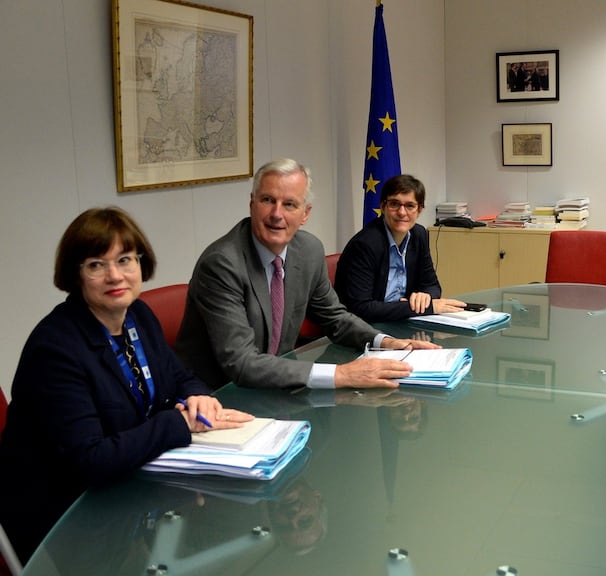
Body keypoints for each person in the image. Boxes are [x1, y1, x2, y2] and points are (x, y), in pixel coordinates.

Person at [0, 207, 254, 564]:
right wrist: (177, 424)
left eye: (125, 259)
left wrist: (197, 395)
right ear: (76, 275)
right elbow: (92, 459)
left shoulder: (138, 316)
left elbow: (178, 376)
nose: (114, 275)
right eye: (95, 265)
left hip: (133, 494)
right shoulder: (55, 348)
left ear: (141, 263)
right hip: (67, 519)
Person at [174, 158, 438, 391]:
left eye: (290, 204)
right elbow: (242, 363)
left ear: (305, 214)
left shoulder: (308, 250)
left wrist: (385, 342)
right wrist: (340, 374)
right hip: (219, 395)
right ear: (252, 204)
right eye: (267, 200)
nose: (277, 214)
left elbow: (334, 317)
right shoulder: (222, 264)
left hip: (278, 385)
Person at [335, 174, 466, 322]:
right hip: (365, 329)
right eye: (394, 204)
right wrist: (426, 307)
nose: (402, 212)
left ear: (420, 210)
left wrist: (426, 296)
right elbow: (361, 308)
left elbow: (431, 285)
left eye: (410, 206)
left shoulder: (419, 235)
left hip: (401, 321)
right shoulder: (365, 245)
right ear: (383, 206)